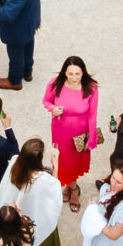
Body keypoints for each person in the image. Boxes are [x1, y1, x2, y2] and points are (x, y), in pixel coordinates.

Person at [0, 139, 66, 246]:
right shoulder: (42, 180)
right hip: (36, 219)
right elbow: (54, 191)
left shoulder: (14, 164)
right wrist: (55, 165)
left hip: (16, 217)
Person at [41, 57, 102, 202]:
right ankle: (73, 187)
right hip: (60, 130)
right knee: (63, 161)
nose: (74, 78)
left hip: (80, 132)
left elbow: (92, 115)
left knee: (75, 162)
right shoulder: (55, 83)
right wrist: (52, 109)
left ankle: (71, 187)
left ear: (83, 73)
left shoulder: (91, 88)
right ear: (64, 73)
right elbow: (46, 101)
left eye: (77, 74)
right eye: (70, 74)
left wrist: (92, 137)